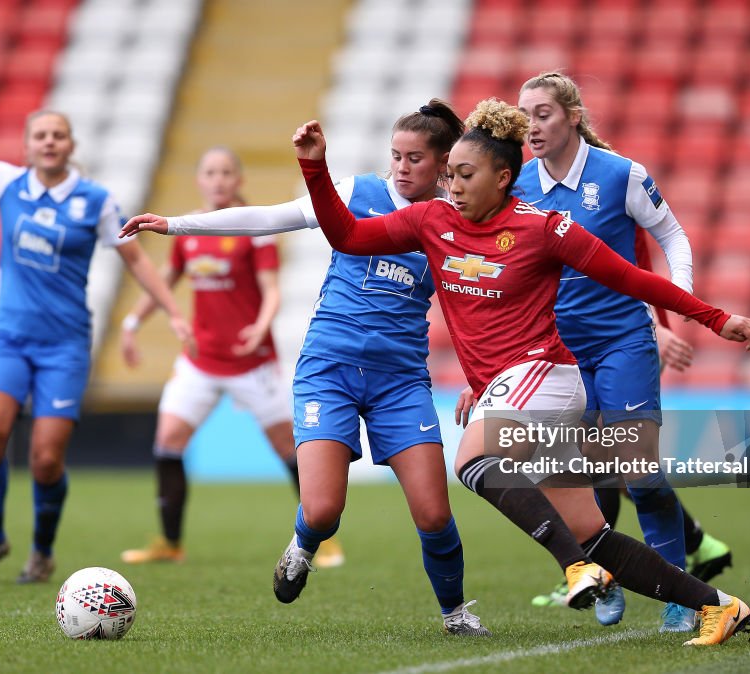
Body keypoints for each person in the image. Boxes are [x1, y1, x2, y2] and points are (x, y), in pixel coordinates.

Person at [292, 98, 750, 646]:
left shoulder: (544, 228)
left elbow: (631, 278)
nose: (454, 186)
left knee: (472, 460)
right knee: (595, 534)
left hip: (545, 375)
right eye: (449, 176)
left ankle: (573, 568)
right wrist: (314, 168)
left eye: (465, 175)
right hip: (511, 388)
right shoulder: (432, 219)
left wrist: (714, 317)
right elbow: (348, 236)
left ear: (504, 177)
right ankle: (720, 605)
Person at [121, 100, 490, 636]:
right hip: (329, 369)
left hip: (401, 380)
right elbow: (270, 217)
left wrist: (480, 376)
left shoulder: (455, 223)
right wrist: (175, 224)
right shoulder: (357, 193)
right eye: (395, 156)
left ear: (442, 165)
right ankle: (302, 547)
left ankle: (456, 615)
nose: (402, 167)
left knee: (434, 515)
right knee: (321, 511)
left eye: (415, 158)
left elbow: (473, 306)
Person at [0, 39, 193, 583]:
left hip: (66, 344)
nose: (49, 142)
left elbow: (137, 259)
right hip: (9, 339)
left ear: (70, 145)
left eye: (58, 135)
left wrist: (173, 312)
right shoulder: (6, 183)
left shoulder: (95, 201)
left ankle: (42, 552)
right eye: (40, 135)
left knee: (46, 459)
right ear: (26, 147)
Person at [515, 70, 733, 630]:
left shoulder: (621, 175)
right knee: (570, 476)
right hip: (555, 353)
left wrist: (679, 297)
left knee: (637, 472)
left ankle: (680, 598)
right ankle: (600, 575)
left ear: (573, 116)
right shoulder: (516, 184)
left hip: (620, 341)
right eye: (525, 116)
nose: (532, 126)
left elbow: (672, 236)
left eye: (543, 114)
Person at [118, 146, 343, 568]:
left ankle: (322, 540)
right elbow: (163, 284)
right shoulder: (190, 232)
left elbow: (271, 288)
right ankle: (170, 543)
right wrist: (131, 324)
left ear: (238, 181)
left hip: (252, 362)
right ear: (199, 180)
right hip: (200, 361)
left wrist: (261, 325)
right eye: (210, 172)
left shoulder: (252, 231)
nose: (218, 179)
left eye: (226, 173)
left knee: (288, 450)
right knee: (167, 441)